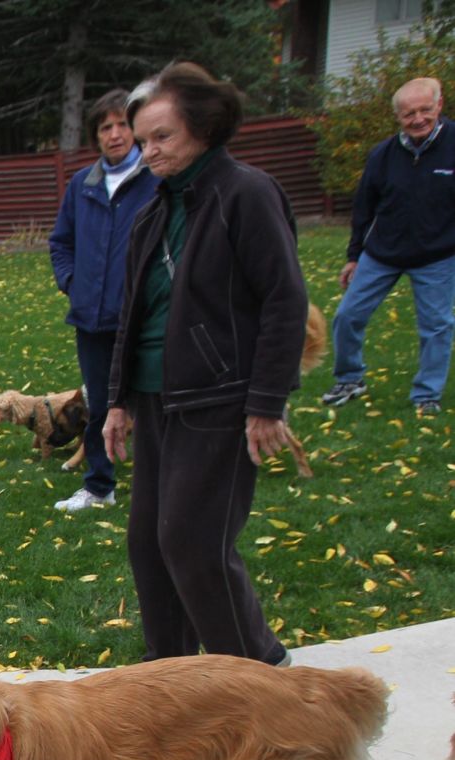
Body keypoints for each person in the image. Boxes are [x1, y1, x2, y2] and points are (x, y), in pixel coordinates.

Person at [102, 63, 306, 667]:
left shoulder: (246, 193)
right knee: (149, 545)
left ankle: (257, 670)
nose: (149, 151)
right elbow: (132, 318)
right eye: (142, 141)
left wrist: (267, 400)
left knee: (193, 544)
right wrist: (117, 401)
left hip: (220, 399)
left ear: (203, 126)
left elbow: (284, 298)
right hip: (155, 400)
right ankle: (169, 678)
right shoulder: (153, 212)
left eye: (161, 136)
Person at [49, 88, 159, 512]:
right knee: (98, 403)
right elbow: (61, 242)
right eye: (105, 127)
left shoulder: (154, 182)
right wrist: (72, 282)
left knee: (150, 404)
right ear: (96, 136)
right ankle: (100, 486)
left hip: (144, 318)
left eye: (122, 125)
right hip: (91, 318)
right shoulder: (83, 184)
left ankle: (160, 483)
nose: (115, 134)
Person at [322, 76, 455, 418]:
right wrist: (354, 257)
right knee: (347, 316)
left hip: (437, 256)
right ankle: (350, 379)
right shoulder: (382, 155)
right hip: (382, 254)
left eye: (425, 110)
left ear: (439, 106)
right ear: (398, 117)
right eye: (409, 113)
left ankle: (427, 395)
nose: (418, 119)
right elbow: (364, 208)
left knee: (437, 326)